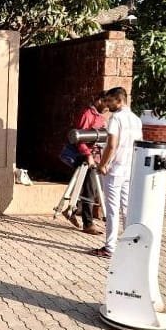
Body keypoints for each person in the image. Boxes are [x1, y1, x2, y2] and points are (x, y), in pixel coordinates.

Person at [91, 87, 143, 258]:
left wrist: (103, 164)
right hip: (129, 168)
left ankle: (110, 247)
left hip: (115, 169)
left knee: (112, 209)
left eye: (109, 101)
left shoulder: (116, 118)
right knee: (127, 208)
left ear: (119, 101)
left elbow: (112, 145)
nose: (107, 104)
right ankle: (130, 245)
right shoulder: (136, 120)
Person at [63, 91, 108, 235]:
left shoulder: (101, 117)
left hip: (95, 157)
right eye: (106, 103)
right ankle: (88, 224)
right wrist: (88, 155)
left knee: (92, 188)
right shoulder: (87, 114)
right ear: (99, 100)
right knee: (90, 188)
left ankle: (72, 209)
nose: (108, 107)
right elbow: (79, 138)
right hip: (84, 156)